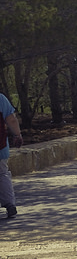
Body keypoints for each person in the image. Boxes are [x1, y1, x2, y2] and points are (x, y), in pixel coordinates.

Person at [1, 89, 20, 220]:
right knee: (2, 174)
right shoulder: (1, 98)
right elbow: (11, 120)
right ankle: (9, 204)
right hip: (0, 147)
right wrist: (17, 135)